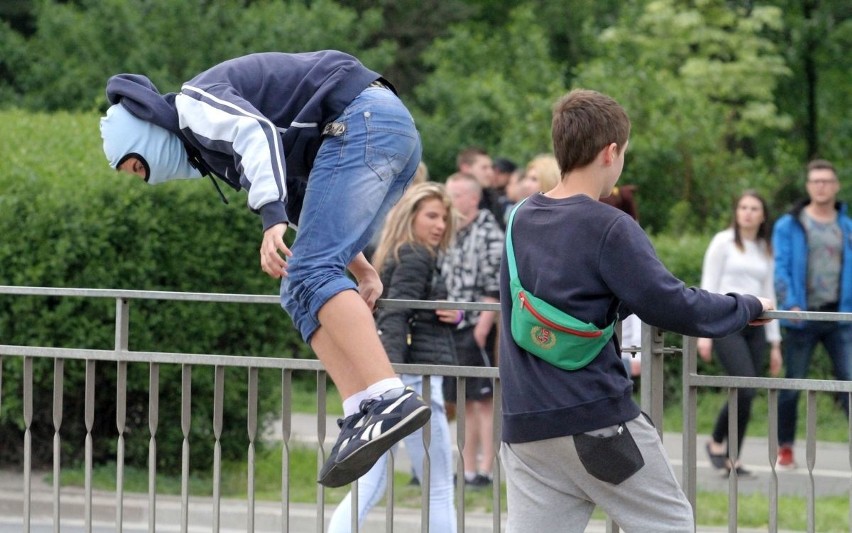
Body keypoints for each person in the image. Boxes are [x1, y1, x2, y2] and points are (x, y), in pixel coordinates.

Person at [98, 50, 431, 488]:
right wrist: (362, 267)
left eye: (138, 166)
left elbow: (256, 134)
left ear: (147, 134)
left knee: (309, 273)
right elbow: (304, 200)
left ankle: (389, 395)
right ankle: (362, 408)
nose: (145, 179)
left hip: (361, 119)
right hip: (384, 129)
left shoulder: (194, 104)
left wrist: (270, 219)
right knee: (296, 288)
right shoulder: (210, 148)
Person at [498, 88, 774, 532]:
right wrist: (745, 306)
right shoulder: (609, 225)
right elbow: (673, 304)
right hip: (594, 423)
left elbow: (560, 293)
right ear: (611, 152)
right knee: (670, 525)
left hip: (525, 424)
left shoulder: (520, 217)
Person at [328, 182, 458, 532]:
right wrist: (396, 383)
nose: (440, 225)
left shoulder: (395, 254)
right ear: (409, 216)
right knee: (438, 486)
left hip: (397, 380)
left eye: (444, 218)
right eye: (431, 216)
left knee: (371, 483)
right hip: (416, 381)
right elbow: (396, 316)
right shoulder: (416, 255)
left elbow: (401, 313)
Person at [773, 159, 852, 469]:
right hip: (802, 316)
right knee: (793, 383)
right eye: (815, 181)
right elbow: (780, 267)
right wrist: (789, 302)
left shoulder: (846, 227)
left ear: (836, 186)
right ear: (808, 186)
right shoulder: (789, 224)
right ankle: (786, 448)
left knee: (848, 381)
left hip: (840, 317)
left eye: (827, 181)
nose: (821, 186)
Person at [698, 190, 782, 475]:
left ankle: (732, 456)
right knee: (744, 387)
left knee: (747, 391)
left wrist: (775, 344)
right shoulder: (722, 242)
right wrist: (703, 333)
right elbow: (708, 286)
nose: (747, 212)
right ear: (736, 212)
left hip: (757, 327)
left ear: (762, 215)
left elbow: (769, 293)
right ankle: (717, 442)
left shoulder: (765, 248)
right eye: (743, 207)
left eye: (754, 208)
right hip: (726, 323)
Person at [442, 172, 504, 488]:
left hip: (477, 325)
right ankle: (465, 467)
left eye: (454, 195)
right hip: (451, 324)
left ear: (472, 198)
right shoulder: (449, 230)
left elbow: (495, 281)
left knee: (483, 400)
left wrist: (483, 326)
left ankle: (486, 469)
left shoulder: (489, 231)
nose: (449, 200)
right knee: (462, 400)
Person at [457, 147, 504, 229]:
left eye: (491, 168)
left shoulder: (493, 199)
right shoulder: (448, 199)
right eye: (484, 168)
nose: (490, 173)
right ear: (466, 168)